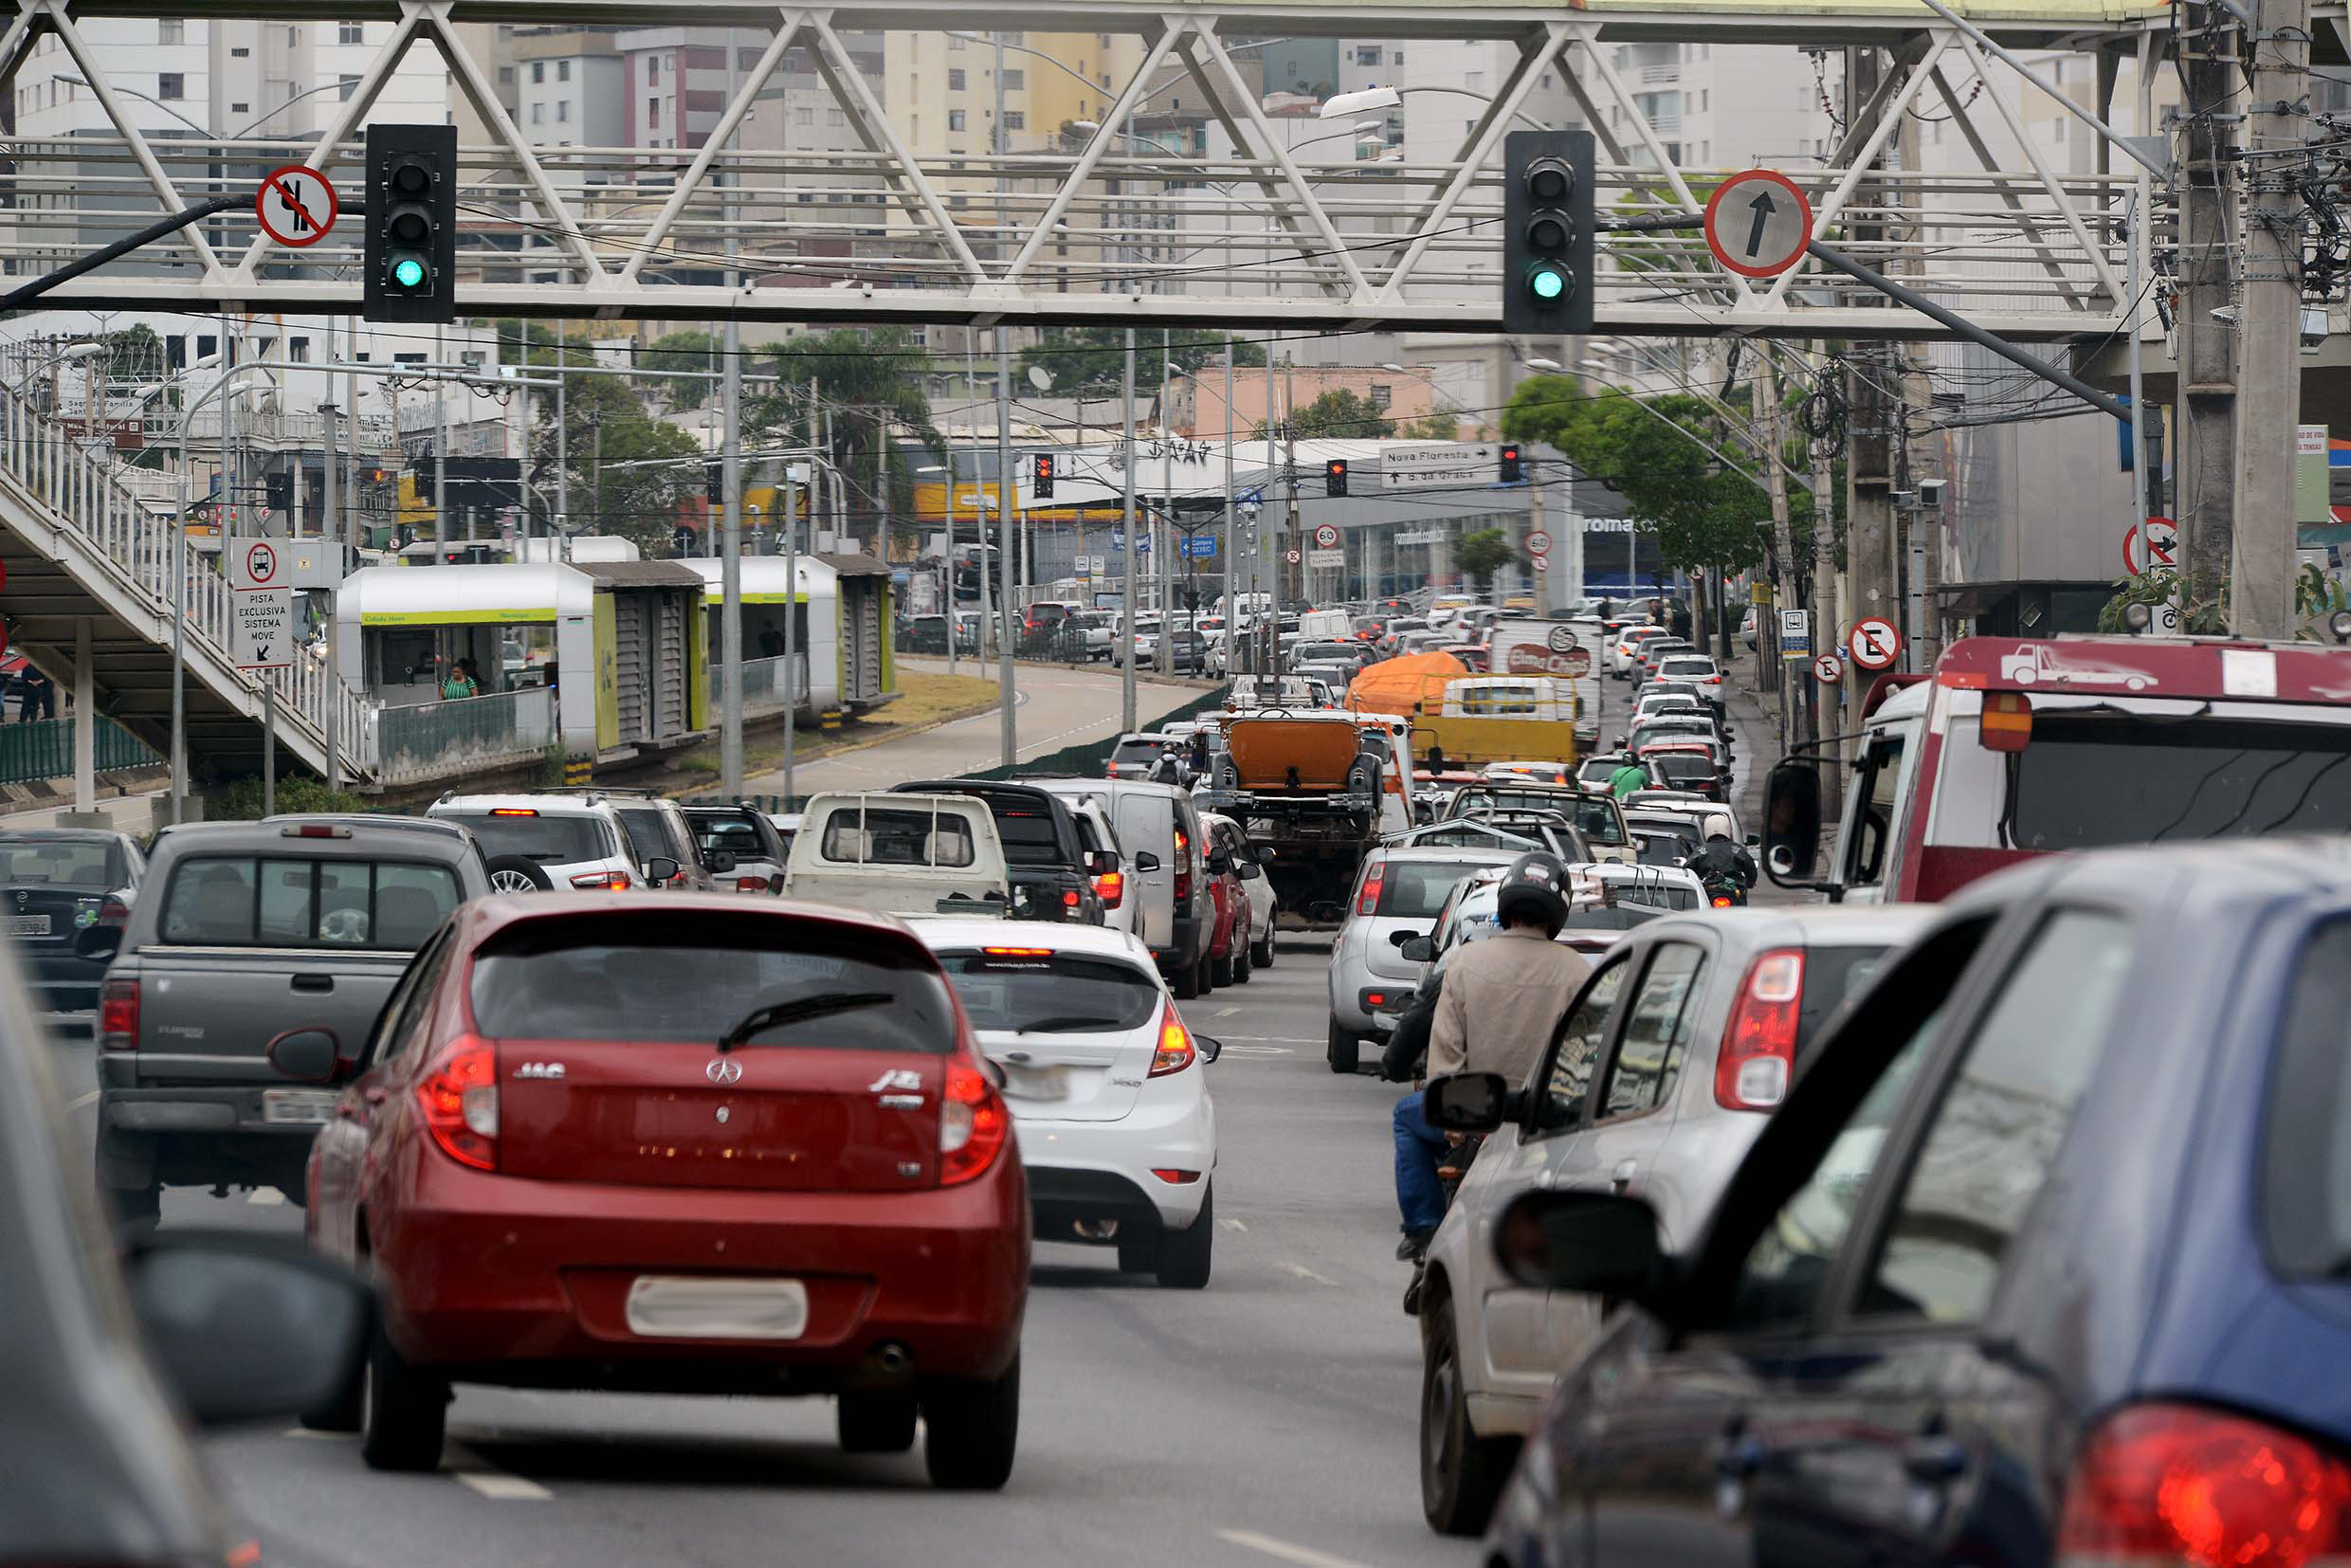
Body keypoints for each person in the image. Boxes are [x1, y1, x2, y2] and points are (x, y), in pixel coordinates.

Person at [1392, 850, 1592, 1261]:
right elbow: (1584, 1056)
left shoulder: (1465, 962)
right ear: (1559, 911)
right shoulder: (1578, 972)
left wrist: (1455, 1124)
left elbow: (1447, 1053)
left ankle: (1423, 1228)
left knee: (1405, 1118)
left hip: (1475, 1110)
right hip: (1545, 1118)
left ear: (1505, 904)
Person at [1688, 830, 1758, 890]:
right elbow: (1750, 865)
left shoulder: (1701, 850)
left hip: (1710, 887)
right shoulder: (1737, 849)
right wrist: (1750, 882)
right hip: (1734, 886)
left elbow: (1688, 868)